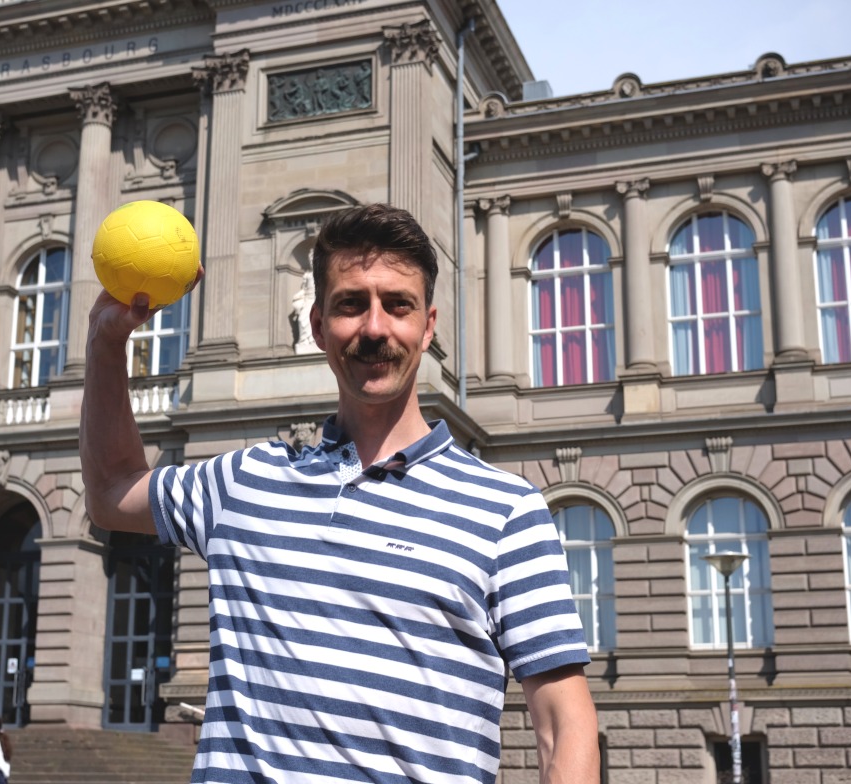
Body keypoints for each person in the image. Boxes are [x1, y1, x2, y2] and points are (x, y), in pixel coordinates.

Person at [80, 203, 599, 783]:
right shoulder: (241, 483)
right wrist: (106, 342)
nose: (375, 328)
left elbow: (564, 726)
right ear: (318, 325)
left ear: (428, 326)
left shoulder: (505, 510)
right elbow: (112, 492)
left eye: (397, 305)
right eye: (351, 304)